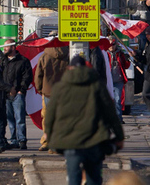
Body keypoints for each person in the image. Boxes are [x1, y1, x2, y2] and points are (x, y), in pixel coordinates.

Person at [45, 54, 124, 185]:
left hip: (70, 140)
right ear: (86, 68)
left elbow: (50, 114)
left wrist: (48, 132)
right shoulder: (97, 86)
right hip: (95, 139)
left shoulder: (60, 88)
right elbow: (110, 113)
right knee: (94, 177)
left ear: (69, 68)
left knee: (73, 177)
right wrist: (119, 136)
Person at [35, 39, 69, 151]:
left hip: (48, 92)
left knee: (47, 118)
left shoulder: (44, 57)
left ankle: (46, 142)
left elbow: (38, 76)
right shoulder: (69, 55)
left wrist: (41, 89)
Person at [1, 39, 32, 150]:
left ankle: (22, 140)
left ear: (13, 47)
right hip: (6, 93)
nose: (4, 49)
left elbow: (27, 77)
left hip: (18, 93)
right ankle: (13, 140)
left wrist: (21, 90)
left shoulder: (23, 61)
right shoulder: (3, 61)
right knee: (9, 118)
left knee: (19, 117)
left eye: (7, 46)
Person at [108, 37, 132, 123]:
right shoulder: (105, 54)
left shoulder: (120, 54)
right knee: (109, 100)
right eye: (109, 44)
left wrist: (127, 59)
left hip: (119, 79)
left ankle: (118, 118)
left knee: (118, 99)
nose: (111, 46)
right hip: (108, 80)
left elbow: (126, 66)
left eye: (113, 44)